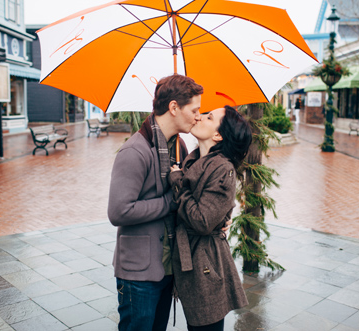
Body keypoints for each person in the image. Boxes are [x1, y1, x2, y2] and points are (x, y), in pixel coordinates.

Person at [107, 74, 203, 331]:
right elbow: (119, 211)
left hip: (168, 268)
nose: (197, 116)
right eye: (194, 109)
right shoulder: (134, 151)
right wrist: (169, 202)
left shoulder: (180, 147)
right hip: (138, 273)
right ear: (174, 107)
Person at [168, 105, 251, 330]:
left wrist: (177, 183)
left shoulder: (223, 169)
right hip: (190, 258)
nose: (199, 116)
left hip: (206, 264)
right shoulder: (190, 160)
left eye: (208, 116)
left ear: (218, 134)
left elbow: (202, 221)